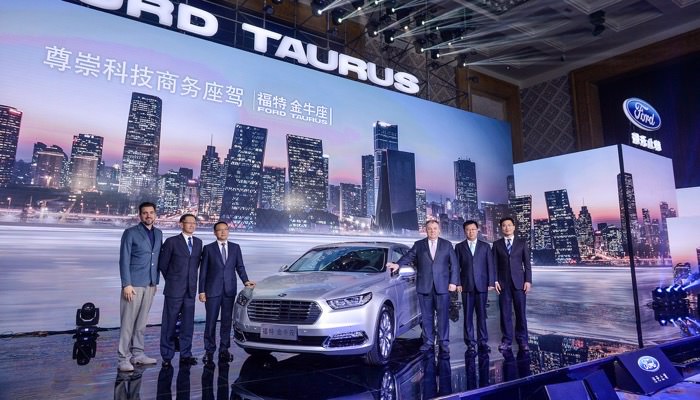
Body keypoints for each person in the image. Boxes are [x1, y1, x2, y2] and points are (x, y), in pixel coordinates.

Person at [386, 220, 459, 357]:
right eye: (429, 228)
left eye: (435, 228)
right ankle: (428, 342)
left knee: (443, 317)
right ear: (426, 230)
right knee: (426, 316)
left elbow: (454, 265)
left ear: (439, 230)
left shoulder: (447, 245)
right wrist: (398, 264)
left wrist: (454, 282)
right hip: (424, 286)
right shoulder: (419, 245)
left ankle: (444, 343)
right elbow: (408, 256)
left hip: (443, 286)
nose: (432, 231)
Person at [198, 221, 255, 364]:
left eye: (225, 229)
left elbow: (240, 266)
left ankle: (224, 349)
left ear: (228, 231)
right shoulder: (208, 248)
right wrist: (201, 291)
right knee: (210, 322)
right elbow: (203, 272)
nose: (223, 232)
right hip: (212, 291)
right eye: (220, 230)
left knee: (226, 321)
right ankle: (209, 350)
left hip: (229, 290)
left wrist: (246, 281)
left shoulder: (235, 247)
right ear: (214, 233)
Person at [117, 201, 162, 372]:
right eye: (145, 213)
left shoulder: (158, 233)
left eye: (151, 212)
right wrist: (126, 284)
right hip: (133, 285)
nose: (148, 215)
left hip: (150, 284)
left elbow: (156, 259)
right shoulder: (130, 233)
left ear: (155, 214)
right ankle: (123, 358)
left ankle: (138, 354)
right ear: (140, 215)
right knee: (128, 323)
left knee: (142, 323)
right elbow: (124, 259)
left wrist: (155, 282)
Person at [158, 213, 203, 367]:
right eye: (188, 222)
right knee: (169, 323)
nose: (191, 225)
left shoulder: (198, 243)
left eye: (194, 223)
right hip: (174, 289)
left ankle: (186, 354)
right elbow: (163, 264)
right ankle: (167, 355)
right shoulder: (171, 242)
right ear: (181, 224)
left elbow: (196, 265)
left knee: (188, 324)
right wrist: (173, 280)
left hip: (190, 289)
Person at [492, 217, 532, 353]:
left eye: (509, 225)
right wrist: (495, 281)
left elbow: (527, 264)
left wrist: (528, 281)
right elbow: (494, 265)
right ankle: (506, 340)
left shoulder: (522, 243)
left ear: (514, 227)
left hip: (519, 283)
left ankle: (523, 340)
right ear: (501, 228)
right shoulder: (496, 244)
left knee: (521, 313)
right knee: (505, 313)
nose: (507, 228)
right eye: (504, 225)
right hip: (503, 284)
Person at [455, 220, 495, 354]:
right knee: (467, 316)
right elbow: (456, 267)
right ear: (464, 231)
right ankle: (470, 343)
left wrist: (491, 282)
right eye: (468, 229)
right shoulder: (459, 247)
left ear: (477, 230)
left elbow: (490, 265)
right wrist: (457, 283)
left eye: (473, 229)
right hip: (466, 285)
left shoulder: (485, 246)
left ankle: (483, 342)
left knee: (482, 315)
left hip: (482, 285)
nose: (470, 232)